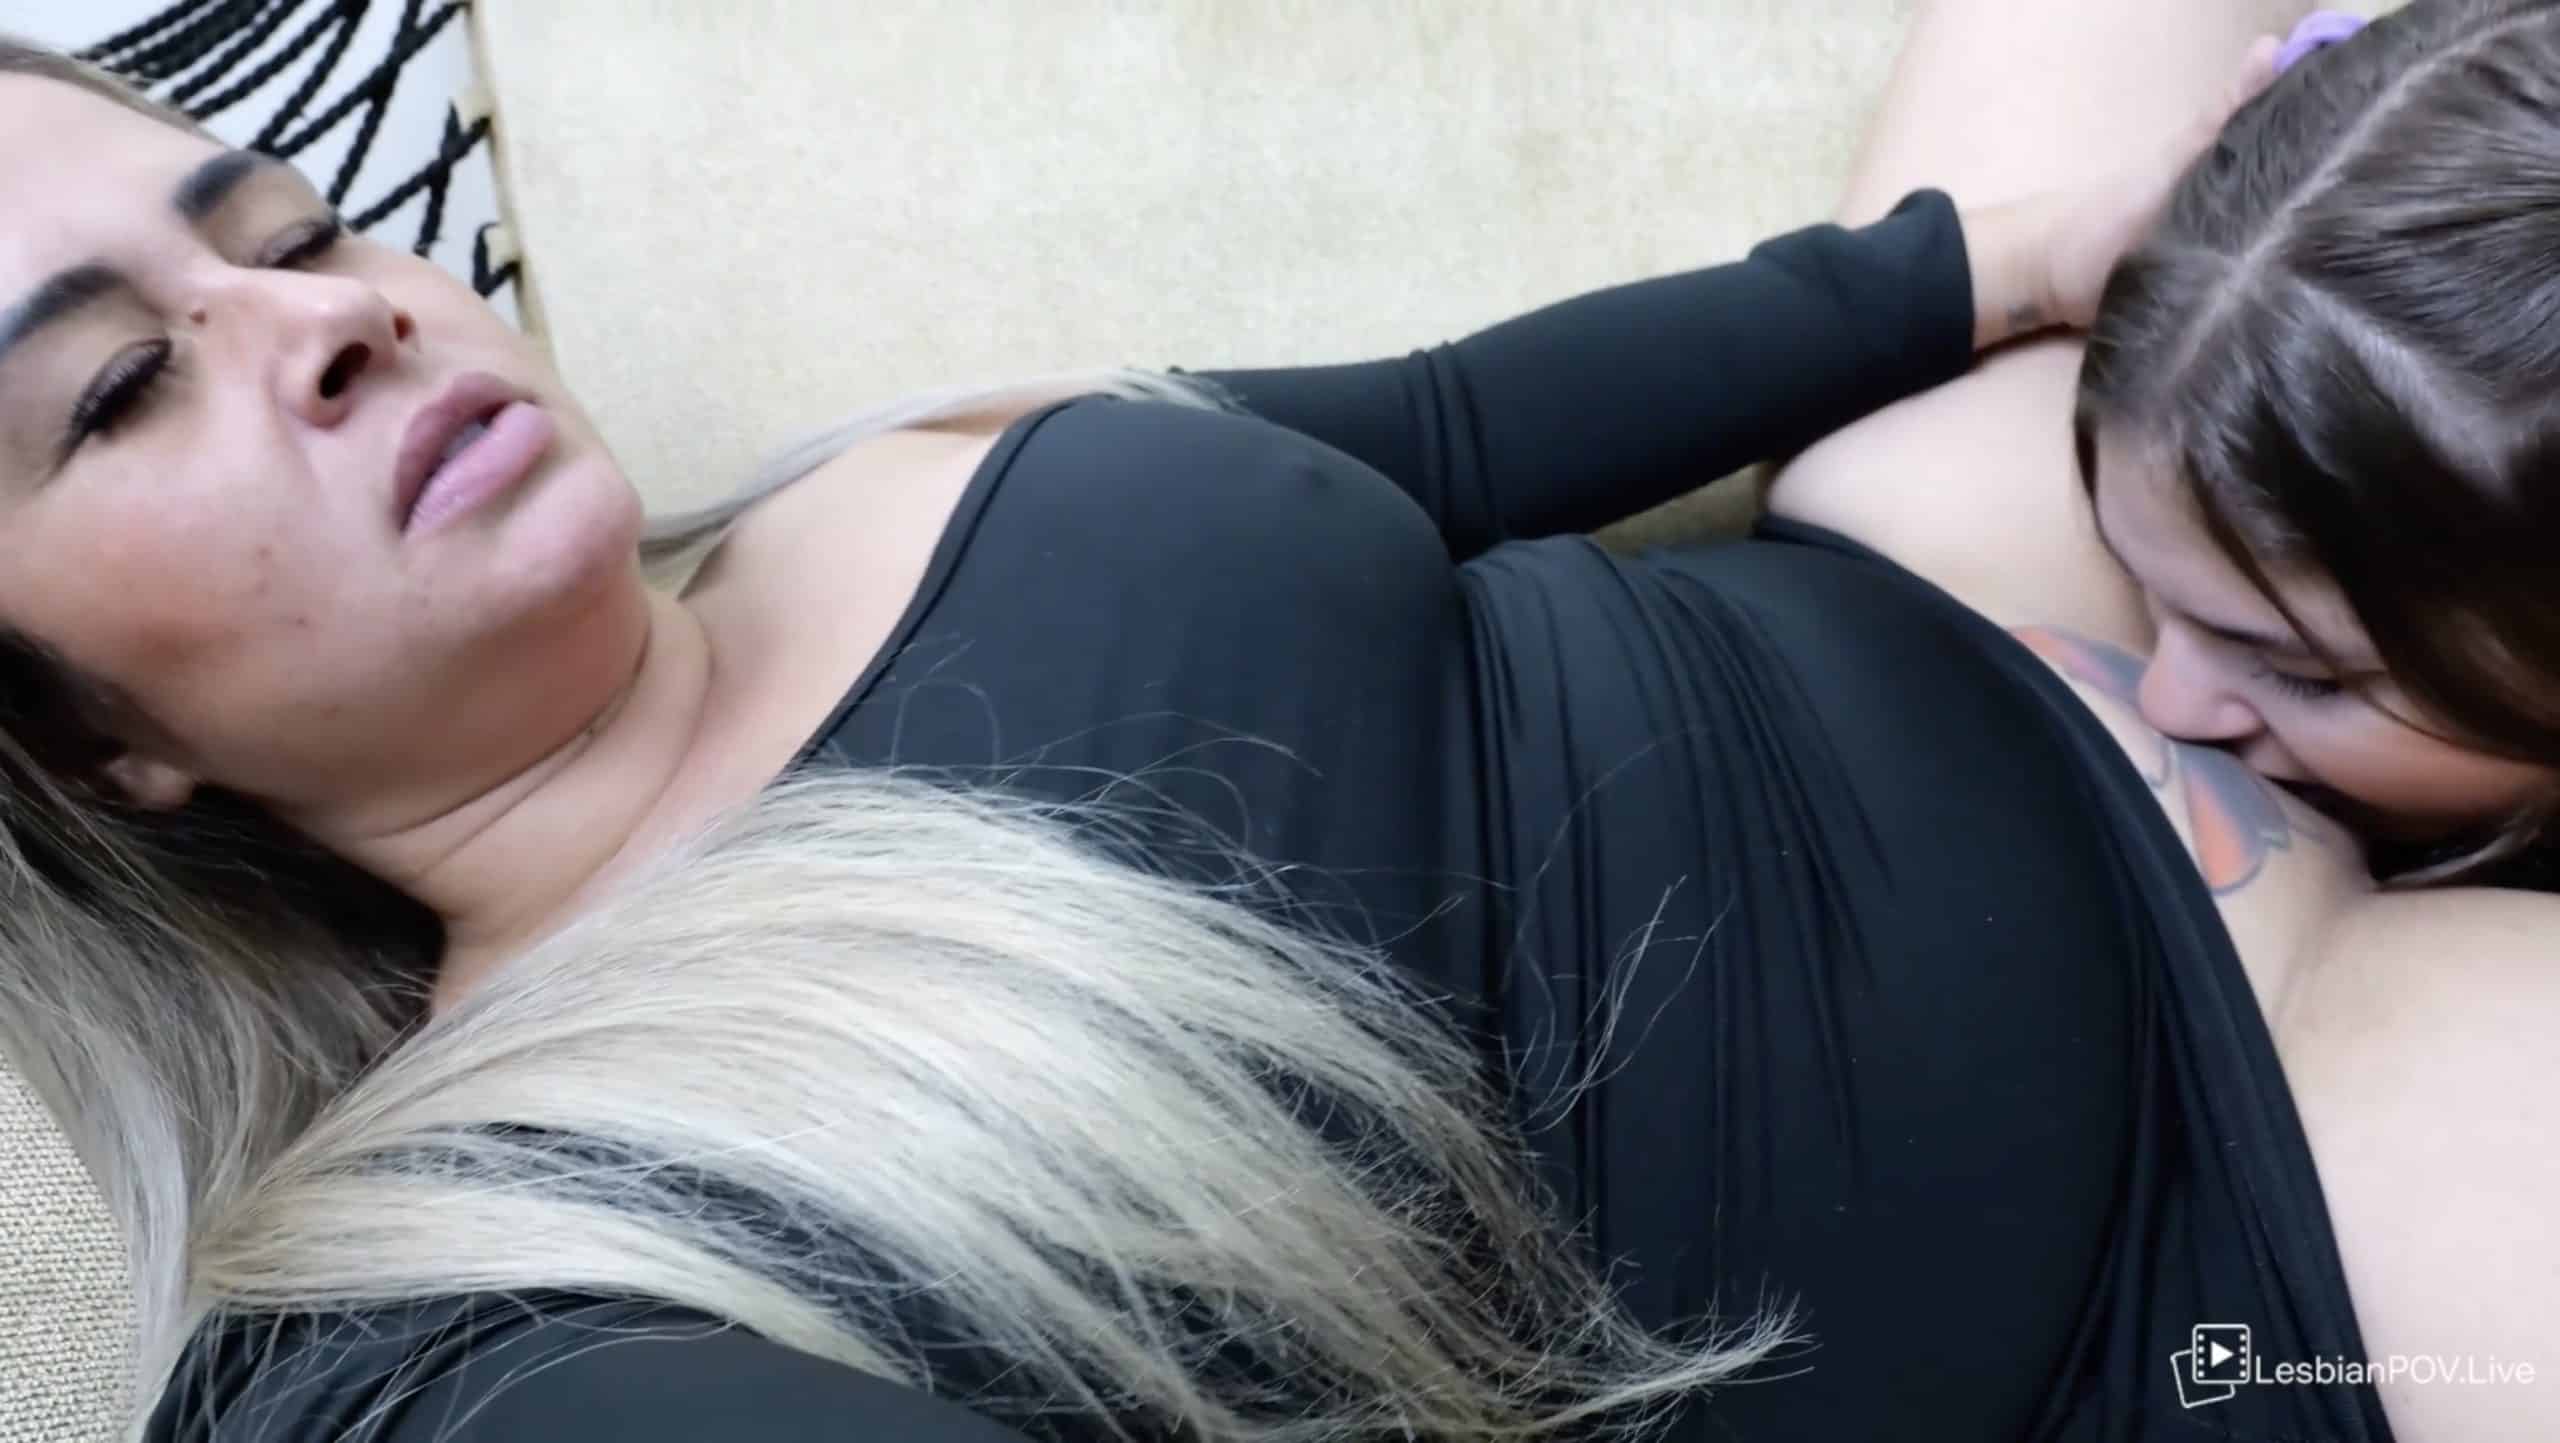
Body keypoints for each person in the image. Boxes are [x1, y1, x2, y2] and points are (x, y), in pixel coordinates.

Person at [0, 5, 2544, 1443]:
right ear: (87, 743)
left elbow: (1445, 426)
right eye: (116, 390)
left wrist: (2007, 257)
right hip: (2240, 1218)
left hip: (1957, 570)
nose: (324, 318)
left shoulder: (856, 487)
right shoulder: (445, 1315)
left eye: (289, 227)